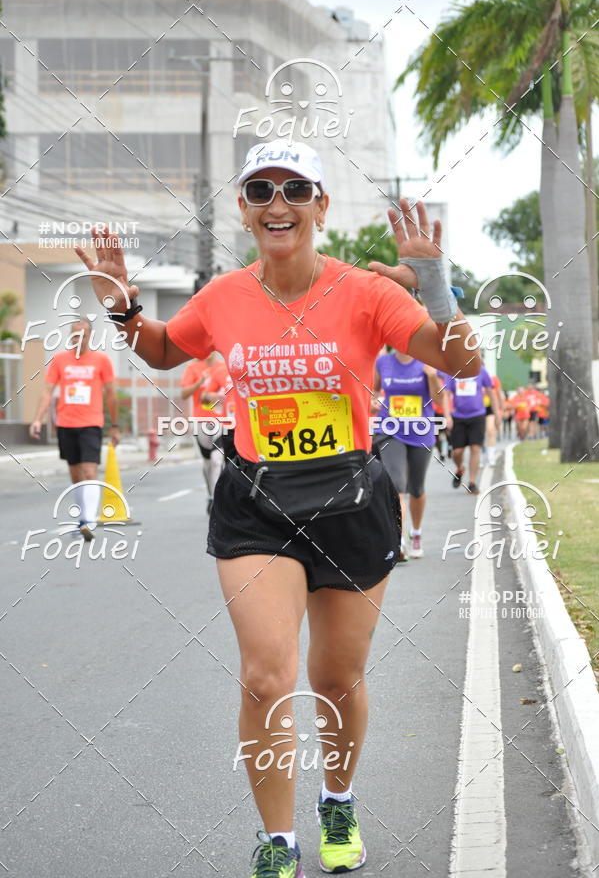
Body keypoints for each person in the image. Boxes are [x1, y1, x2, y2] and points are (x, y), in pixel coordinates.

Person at [75, 138, 480, 878]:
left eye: (295, 188)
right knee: (266, 675)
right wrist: (124, 307)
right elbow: (167, 351)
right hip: (256, 503)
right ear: (244, 209)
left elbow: (462, 362)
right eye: (260, 190)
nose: (277, 203)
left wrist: (437, 285)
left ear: (321, 205)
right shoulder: (225, 296)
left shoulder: (366, 290)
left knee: (336, 679)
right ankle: (278, 839)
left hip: (349, 502)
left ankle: (339, 796)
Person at [29, 318, 120, 540]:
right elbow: (47, 392)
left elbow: (111, 394)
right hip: (66, 424)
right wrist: (37, 419)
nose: (78, 339)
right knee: (75, 475)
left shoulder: (101, 360)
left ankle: (88, 522)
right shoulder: (60, 360)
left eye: (83, 335)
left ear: (90, 336)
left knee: (90, 471)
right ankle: (82, 519)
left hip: (91, 423)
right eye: (74, 335)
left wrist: (115, 426)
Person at [372, 348, 444, 559]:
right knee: (396, 485)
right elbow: (374, 390)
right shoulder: (383, 362)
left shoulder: (428, 361)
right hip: (390, 429)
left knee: (417, 488)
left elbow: (439, 400)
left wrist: (431, 375)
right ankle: (399, 541)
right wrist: (373, 400)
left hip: (421, 430)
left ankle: (416, 533)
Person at [180, 352, 230, 513]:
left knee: (217, 460)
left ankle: (218, 500)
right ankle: (210, 495)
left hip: (221, 420)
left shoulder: (223, 367)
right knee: (208, 462)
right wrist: (199, 382)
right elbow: (184, 394)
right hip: (200, 421)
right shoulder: (192, 368)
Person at [442, 365, 500, 494]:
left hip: (477, 416)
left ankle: (472, 482)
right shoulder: (452, 370)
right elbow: (446, 395)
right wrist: (447, 416)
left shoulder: (480, 370)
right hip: (458, 417)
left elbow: (491, 393)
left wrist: (497, 415)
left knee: (475, 448)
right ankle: (460, 468)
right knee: (457, 452)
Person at [483, 371, 503, 466]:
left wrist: (501, 409)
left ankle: (491, 458)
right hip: (477, 408)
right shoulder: (470, 377)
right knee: (480, 434)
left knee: (490, 431)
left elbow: (499, 394)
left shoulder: (493, 378)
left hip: (491, 408)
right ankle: (479, 458)